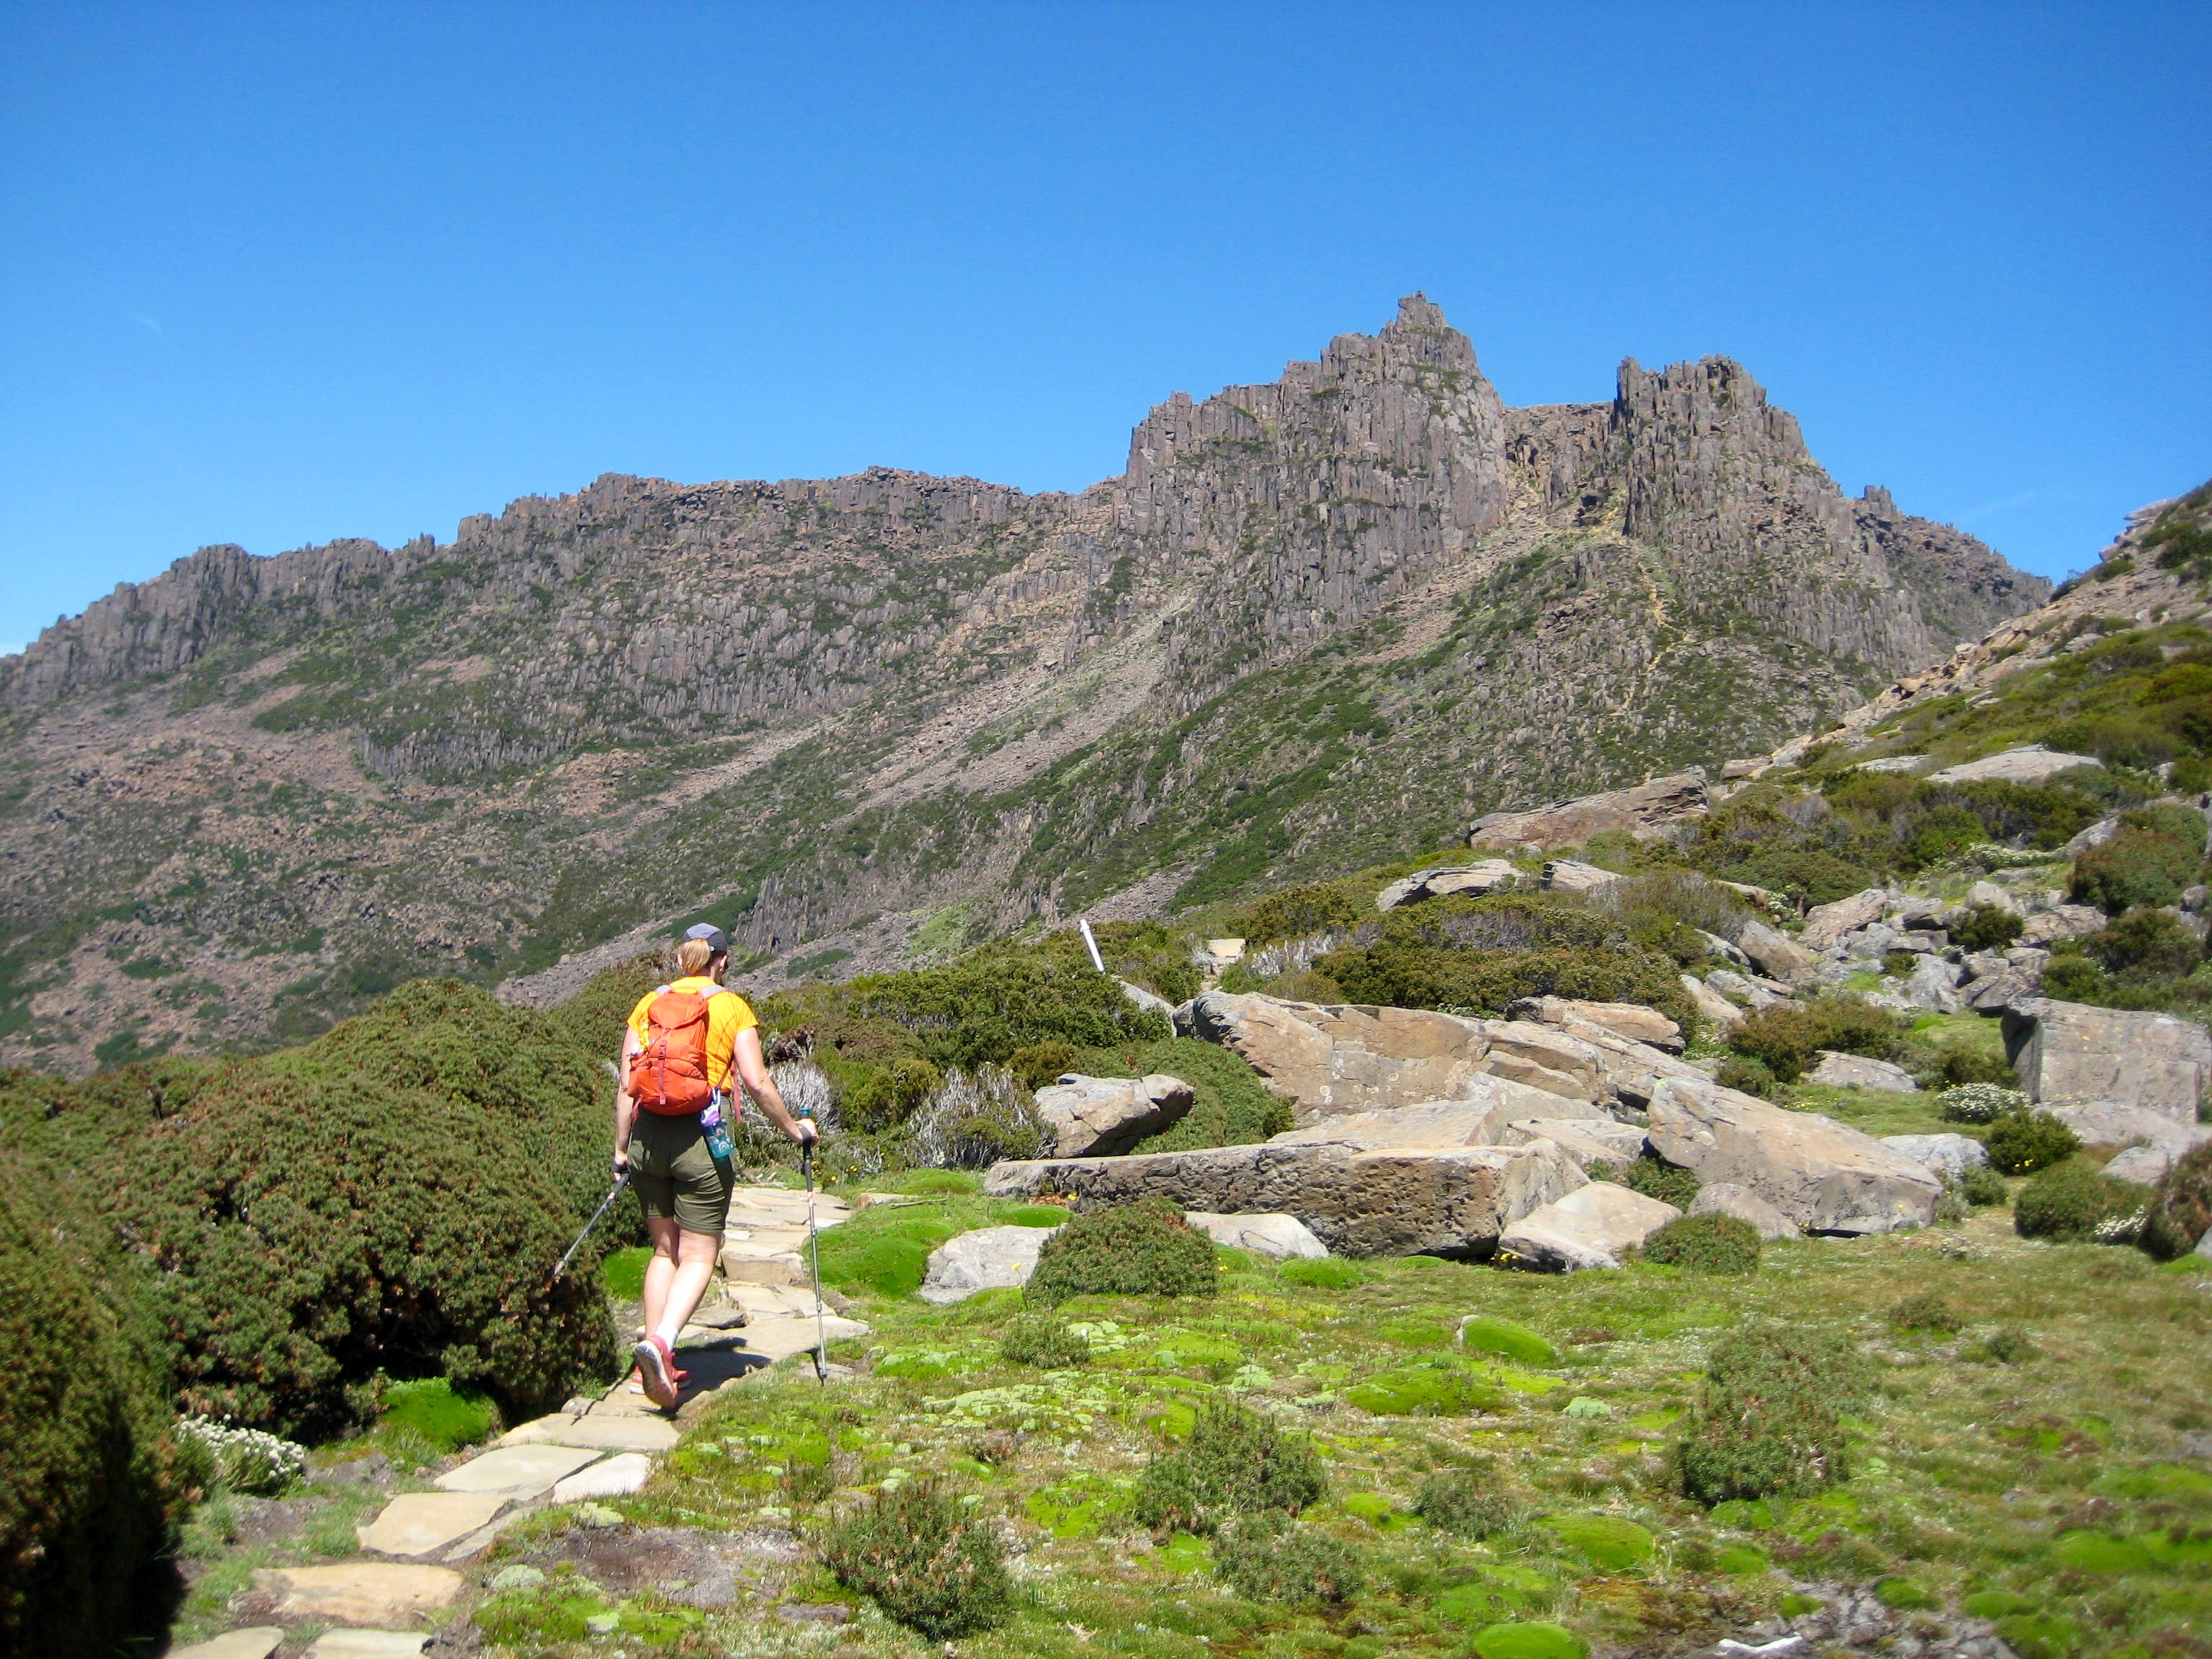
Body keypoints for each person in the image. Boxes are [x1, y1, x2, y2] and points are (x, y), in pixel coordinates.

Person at [615, 922, 817, 1407]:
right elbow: (757, 1081)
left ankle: (652, 1361)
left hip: (647, 1142)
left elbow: (626, 1086)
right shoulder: (731, 1006)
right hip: (701, 1144)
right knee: (701, 1256)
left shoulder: (649, 1003)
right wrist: (795, 1130)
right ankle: (662, 1344)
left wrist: (621, 1150)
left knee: (664, 1253)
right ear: (721, 961)